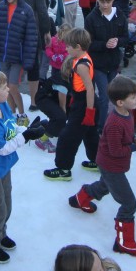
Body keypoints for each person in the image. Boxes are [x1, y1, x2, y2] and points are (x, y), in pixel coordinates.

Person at [69, 75, 136, 257]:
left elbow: (125, 138)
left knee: (104, 185)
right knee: (129, 203)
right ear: (120, 102)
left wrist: (134, 140)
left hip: (113, 165)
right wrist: (134, 146)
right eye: (133, 97)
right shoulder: (115, 122)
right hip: (111, 165)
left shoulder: (128, 113)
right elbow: (116, 150)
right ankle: (124, 242)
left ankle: (80, 198)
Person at [0, 68, 45, 264]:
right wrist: (26, 136)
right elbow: (3, 148)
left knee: (6, 205)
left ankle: (0, 234)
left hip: (4, 169)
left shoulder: (3, 105)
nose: (9, 90)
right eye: (5, 88)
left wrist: (27, 130)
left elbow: (12, 127)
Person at [44, 28, 98, 182]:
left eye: (68, 46)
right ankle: (97, 161)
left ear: (78, 47)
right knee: (90, 134)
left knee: (67, 137)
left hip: (85, 105)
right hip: (85, 101)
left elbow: (90, 88)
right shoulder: (83, 57)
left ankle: (63, 169)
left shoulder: (81, 65)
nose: (66, 49)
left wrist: (89, 111)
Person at [0, 0, 39, 124]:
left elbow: (31, 36)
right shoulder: (2, 7)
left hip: (18, 56)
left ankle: (22, 114)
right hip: (4, 55)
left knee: (12, 85)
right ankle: (12, 113)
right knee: (4, 87)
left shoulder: (26, 10)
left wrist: (28, 59)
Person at [84, 0, 128, 141]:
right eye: (101, 2)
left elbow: (125, 38)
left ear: (113, 0)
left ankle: (113, 124)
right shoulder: (91, 18)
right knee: (104, 95)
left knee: (114, 96)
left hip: (114, 63)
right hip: (98, 64)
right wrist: (104, 44)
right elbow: (87, 43)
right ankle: (102, 128)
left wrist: (118, 41)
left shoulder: (120, 15)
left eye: (107, 2)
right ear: (97, 0)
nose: (104, 5)